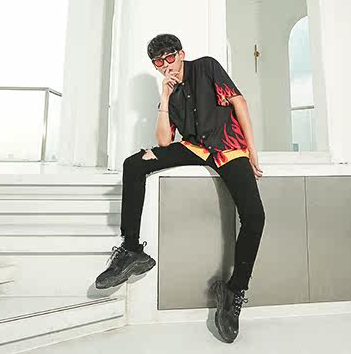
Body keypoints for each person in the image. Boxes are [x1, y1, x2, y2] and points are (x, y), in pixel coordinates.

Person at [95, 33, 265, 343]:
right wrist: (164, 95)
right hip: (195, 148)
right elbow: (164, 141)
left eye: (170, 58)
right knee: (134, 164)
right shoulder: (170, 91)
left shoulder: (206, 67)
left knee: (255, 217)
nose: (166, 66)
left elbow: (238, 101)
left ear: (181, 54)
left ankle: (234, 290)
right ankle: (132, 250)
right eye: (158, 63)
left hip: (228, 148)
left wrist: (252, 151)